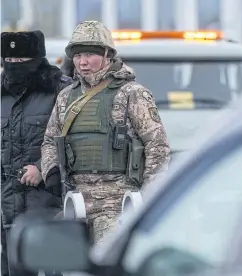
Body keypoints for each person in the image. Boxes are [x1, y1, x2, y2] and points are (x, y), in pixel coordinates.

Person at [41, 20, 171, 244]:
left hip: (117, 204)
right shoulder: (66, 97)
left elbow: (157, 145)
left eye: (90, 55)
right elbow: (50, 140)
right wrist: (50, 170)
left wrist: (149, 197)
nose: (83, 62)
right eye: (79, 55)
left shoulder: (131, 93)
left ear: (107, 55)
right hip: (75, 201)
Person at [1, 30, 72, 276]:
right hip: (8, 203)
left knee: (55, 271)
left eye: (22, 62)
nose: (15, 67)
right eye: (10, 62)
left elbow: (72, 139)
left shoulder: (60, 91)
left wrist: (42, 167)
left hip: (49, 200)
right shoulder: (2, 93)